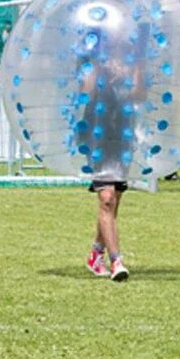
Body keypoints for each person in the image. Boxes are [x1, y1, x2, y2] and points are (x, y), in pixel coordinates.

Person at [79, 31, 140, 282]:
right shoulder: (92, 64)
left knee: (114, 200)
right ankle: (117, 260)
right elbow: (86, 91)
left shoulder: (131, 64)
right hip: (97, 135)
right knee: (106, 198)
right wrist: (103, 71)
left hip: (122, 135)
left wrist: (134, 70)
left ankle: (96, 253)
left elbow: (139, 95)